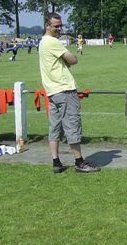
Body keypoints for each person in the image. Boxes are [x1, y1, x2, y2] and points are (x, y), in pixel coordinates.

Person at [39, 12, 100, 174]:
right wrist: (67, 59)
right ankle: (79, 162)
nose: (59, 29)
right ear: (47, 26)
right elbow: (73, 60)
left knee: (55, 128)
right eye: (56, 26)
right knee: (72, 125)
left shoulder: (42, 42)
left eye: (60, 26)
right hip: (64, 90)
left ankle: (56, 162)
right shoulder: (53, 42)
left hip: (52, 92)